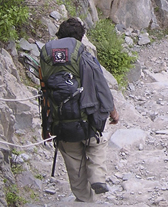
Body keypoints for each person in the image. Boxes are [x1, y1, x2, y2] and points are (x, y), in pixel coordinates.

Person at [42, 18, 119, 202]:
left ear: (59, 34)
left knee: (73, 161)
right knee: (96, 145)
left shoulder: (46, 58)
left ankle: (85, 199)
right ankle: (97, 178)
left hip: (62, 123)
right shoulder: (84, 55)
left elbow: (44, 94)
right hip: (88, 118)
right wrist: (112, 110)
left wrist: (46, 126)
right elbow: (100, 85)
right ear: (81, 38)